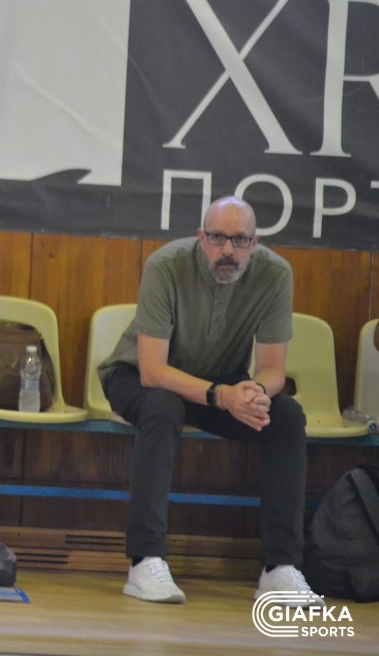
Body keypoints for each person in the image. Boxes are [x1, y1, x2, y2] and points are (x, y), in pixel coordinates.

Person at [98, 196, 322, 606]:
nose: (227, 250)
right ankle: (145, 561)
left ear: (254, 243)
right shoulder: (165, 265)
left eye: (240, 240)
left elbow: (272, 369)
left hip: (221, 381)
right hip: (137, 376)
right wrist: (221, 396)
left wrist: (254, 393)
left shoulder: (276, 274)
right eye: (217, 238)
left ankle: (280, 567)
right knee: (163, 408)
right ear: (201, 238)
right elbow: (152, 371)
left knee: (287, 415)